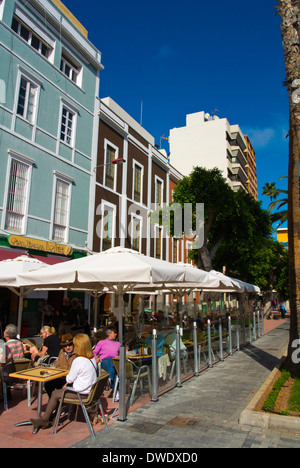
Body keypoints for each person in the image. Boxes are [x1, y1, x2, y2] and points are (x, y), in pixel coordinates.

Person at [30, 333, 98, 430]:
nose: (69, 347)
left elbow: (69, 379)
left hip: (80, 393)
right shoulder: (91, 359)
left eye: (72, 344)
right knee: (51, 386)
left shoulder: (79, 360)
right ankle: (53, 414)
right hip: (90, 391)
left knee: (55, 393)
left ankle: (45, 420)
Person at [44, 334, 78, 398]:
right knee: (48, 385)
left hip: (73, 380)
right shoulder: (61, 352)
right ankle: (55, 402)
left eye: (69, 345)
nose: (67, 347)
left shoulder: (77, 353)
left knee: (63, 387)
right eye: (65, 346)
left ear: (73, 344)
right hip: (62, 377)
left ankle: (58, 403)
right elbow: (58, 366)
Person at [93, 328, 121, 392]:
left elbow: (121, 354)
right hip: (104, 361)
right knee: (112, 362)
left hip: (114, 362)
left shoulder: (118, 344)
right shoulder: (102, 342)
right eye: (114, 333)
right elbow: (94, 352)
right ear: (109, 334)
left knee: (116, 370)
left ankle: (110, 381)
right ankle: (115, 390)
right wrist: (96, 358)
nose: (116, 334)